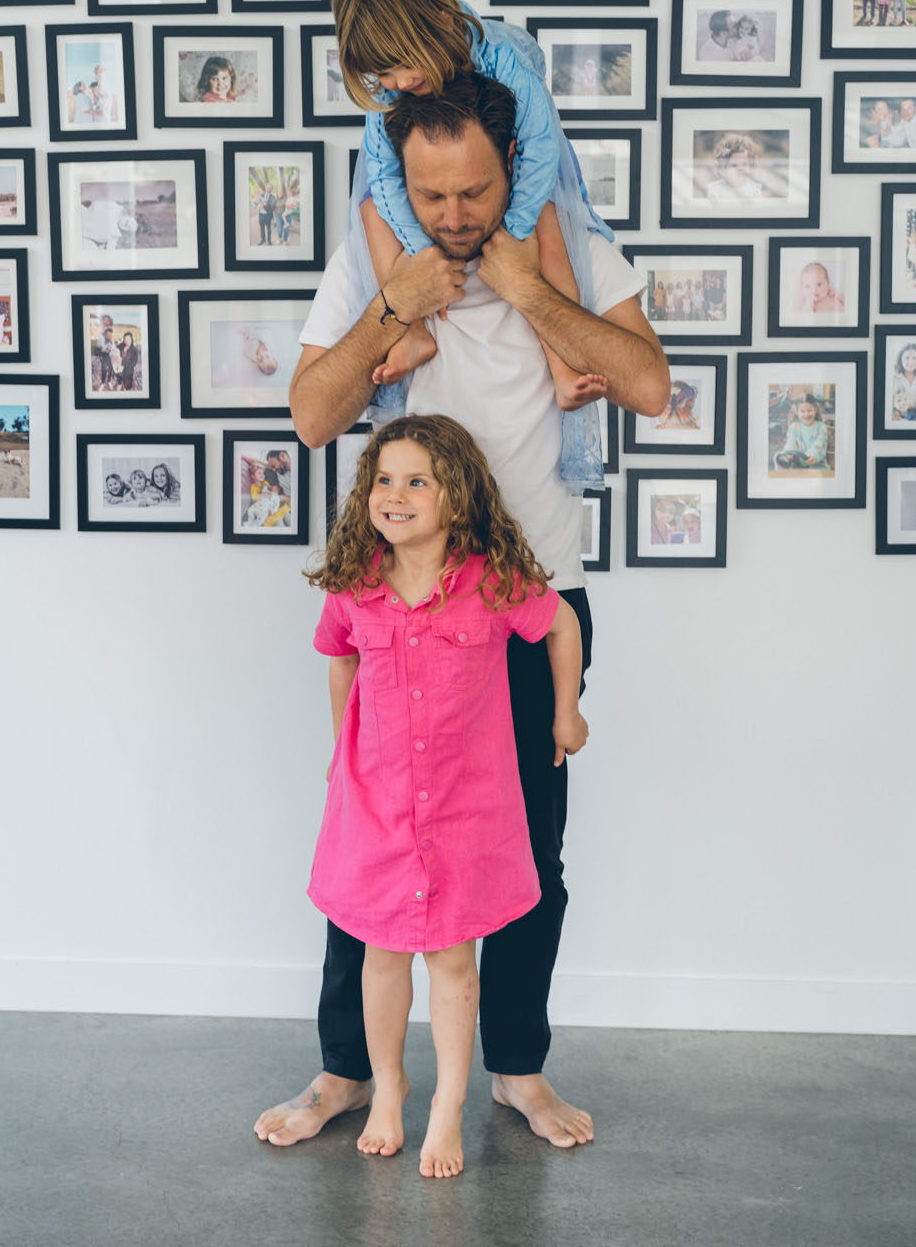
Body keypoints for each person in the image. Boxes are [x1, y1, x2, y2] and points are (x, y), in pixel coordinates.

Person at [254, 69, 669, 1154]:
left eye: (474, 192)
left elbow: (649, 384)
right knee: (371, 843)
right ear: (400, 179)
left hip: (523, 602)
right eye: (431, 195)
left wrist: (531, 292)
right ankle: (349, 1068)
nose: (452, 217)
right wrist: (397, 306)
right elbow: (307, 416)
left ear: (513, 168)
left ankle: (516, 1072)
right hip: (400, 599)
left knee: (529, 847)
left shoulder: (568, 238)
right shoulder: (374, 257)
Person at [306, 414, 586, 1177]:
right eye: (383, 481)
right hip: (379, 808)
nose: (395, 495)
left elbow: (561, 624)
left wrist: (567, 712)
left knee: (454, 965)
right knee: (380, 955)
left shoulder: (492, 581)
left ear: (456, 497)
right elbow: (340, 664)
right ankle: (388, 1088)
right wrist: (343, 751)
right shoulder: (355, 587)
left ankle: (448, 1107)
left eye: (417, 481)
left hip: (467, 812)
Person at [332, 0, 616, 486]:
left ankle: (561, 363)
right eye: (382, 76)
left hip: (527, 178)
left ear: (437, 29)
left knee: (546, 231)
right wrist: (423, 253)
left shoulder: (500, 59)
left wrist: (517, 225)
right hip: (423, 196)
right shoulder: (392, 95)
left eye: (399, 69)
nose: (395, 84)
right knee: (371, 210)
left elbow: (537, 149)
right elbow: (387, 181)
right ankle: (411, 331)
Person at [774, 394, 830, 469]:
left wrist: (812, 455)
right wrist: (788, 454)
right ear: (797, 412)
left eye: (809, 410)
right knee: (777, 456)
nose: (806, 414)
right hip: (798, 465)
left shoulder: (821, 426)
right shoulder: (794, 427)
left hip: (817, 465)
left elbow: (819, 444)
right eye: (802, 411)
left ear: (815, 410)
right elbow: (790, 443)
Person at [705, 133, 764, 202]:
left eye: (744, 164)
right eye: (734, 165)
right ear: (724, 167)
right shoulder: (715, 189)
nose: (740, 168)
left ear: (751, 165)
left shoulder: (754, 189)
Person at [892, 342, 916, 419]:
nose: (911, 362)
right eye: (907, 358)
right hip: (899, 416)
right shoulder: (894, 379)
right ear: (900, 360)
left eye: (914, 358)